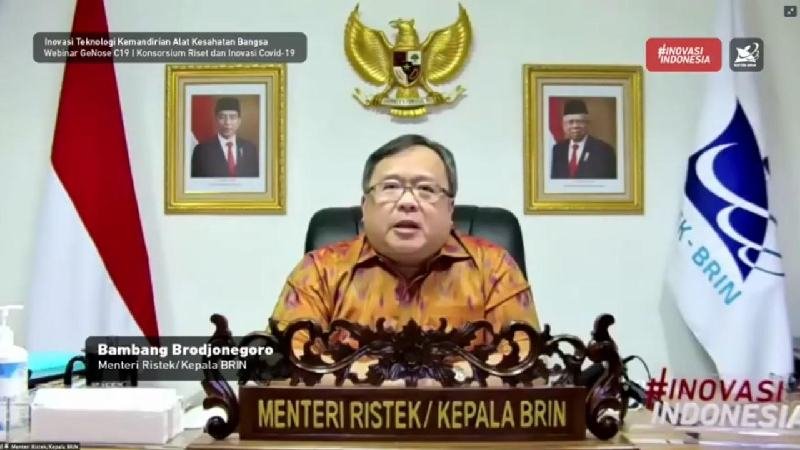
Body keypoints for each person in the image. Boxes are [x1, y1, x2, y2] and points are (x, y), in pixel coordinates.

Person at [270, 134, 539, 347]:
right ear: (365, 206)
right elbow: (281, 365)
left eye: (426, 189)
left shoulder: (494, 268)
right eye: (390, 187)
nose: (407, 202)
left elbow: (528, 367)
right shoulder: (319, 270)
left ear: (450, 210)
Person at [190, 97, 259, 177]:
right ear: (216, 120)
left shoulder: (250, 149)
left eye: (232, 117)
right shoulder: (201, 151)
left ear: (239, 121)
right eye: (222, 117)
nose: (227, 122)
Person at [551, 99, 617, 179]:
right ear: (564, 125)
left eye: (579, 121)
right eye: (570, 122)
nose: (575, 126)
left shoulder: (604, 151)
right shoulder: (557, 150)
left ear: (587, 123)